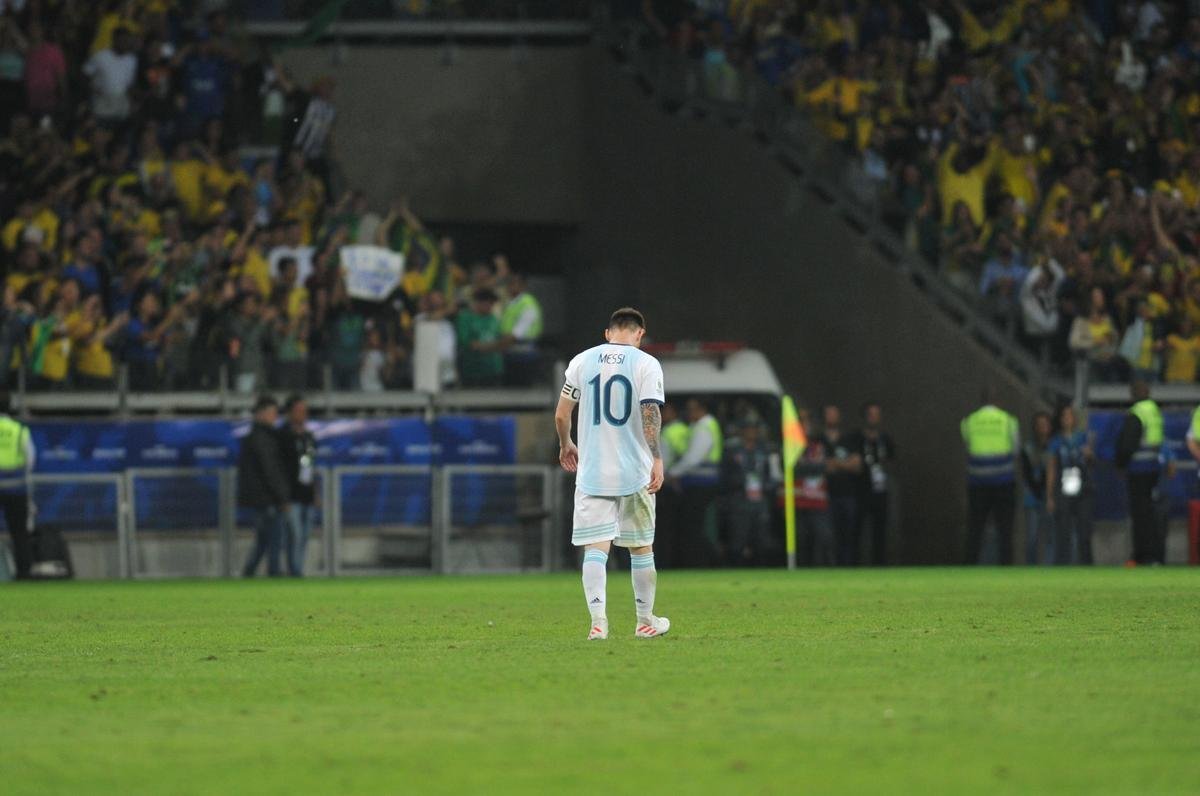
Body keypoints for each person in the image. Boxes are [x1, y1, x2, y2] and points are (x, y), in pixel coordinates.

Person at [555, 307, 669, 640]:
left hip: (592, 472)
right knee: (641, 547)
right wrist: (657, 458)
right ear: (639, 333)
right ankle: (645, 621)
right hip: (635, 471)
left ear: (608, 333)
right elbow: (650, 413)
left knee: (595, 548)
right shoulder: (647, 364)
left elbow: (562, 416)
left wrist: (566, 445)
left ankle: (598, 624)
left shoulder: (581, 361)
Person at [1115, 381, 1172, 565]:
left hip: (1138, 470)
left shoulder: (1138, 413)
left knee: (1140, 516)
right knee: (1150, 515)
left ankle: (1142, 556)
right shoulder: (1154, 410)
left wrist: (1120, 464)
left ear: (1133, 394)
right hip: (1153, 469)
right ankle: (1155, 556)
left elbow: (1127, 445)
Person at [962, 390, 1020, 565]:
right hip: (1004, 482)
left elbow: (968, 444)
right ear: (998, 401)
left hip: (977, 482)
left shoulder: (969, 421)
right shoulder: (1008, 420)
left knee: (975, 528)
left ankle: (970, 566)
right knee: (1005, 530)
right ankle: (1005, 566)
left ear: (981, 402)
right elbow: (1016, 449)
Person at [667, 397, 723, 567]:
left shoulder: (703, 427)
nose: (689, 413)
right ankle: (704, 560)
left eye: (692, 409)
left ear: (702, 410)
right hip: (700, 483)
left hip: (701, 484)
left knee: (693, 526)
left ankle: (706, 561)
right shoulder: (701, 426)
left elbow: (693, 458)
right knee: (694, 525)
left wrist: (672, 473)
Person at [239, 395, 290, 577]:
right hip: (267, 498)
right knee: (274, 538)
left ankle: (249, 572)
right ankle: (273, 572)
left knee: (263, 540)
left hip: (262, 497)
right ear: (261, 414)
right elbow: (270, 471)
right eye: (272, 413)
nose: (275, 417)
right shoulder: (263, 438)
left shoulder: (256, 436)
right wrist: (282, 497)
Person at [720, 419, 778, 566]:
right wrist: (737, 483)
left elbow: (773, 474)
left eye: (754, 429)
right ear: (742, 431)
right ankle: (735, 569)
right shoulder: (732, 451)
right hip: (739, 499)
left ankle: (761, 570)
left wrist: (768, 487)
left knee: (762, 539)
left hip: (760, 499)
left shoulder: (764, 450)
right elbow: (724, 475)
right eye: (748, 429)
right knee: (738, 539)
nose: (751, 432)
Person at [1046, 404, 1095, 565]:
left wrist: (1089, 455)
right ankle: (1063, 565)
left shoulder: (1083, 438)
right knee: (1063, 530)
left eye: (1070, 416)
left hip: (1083, 488)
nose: (1067, 419)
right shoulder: (1056, 441)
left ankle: (1086, 565)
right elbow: (1052, 469)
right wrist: (1050, 496)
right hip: (1063, 488)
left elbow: (1092, 463)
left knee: (1084, 531)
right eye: (1064, 416)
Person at [849, 402, 895, 566]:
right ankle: (853, 565)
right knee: (857, 531)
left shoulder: (885, 440)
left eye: (877, 414)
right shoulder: (856, 438)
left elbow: (892, 461)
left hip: (880, 491)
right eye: (871, 414)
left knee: (880, 532)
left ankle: (879, 565)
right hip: (861, 491)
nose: (874, 418)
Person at [817, 404, 862, 565]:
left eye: (834, 414)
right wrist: (844, 463)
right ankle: (830, 567)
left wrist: (834, 463)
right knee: (828, 536)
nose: (831, 417)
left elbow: (857, 466)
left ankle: (848, 567)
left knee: (848, 534)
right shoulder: (818, 440)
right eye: (828, 414)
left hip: (848, 494)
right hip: (826, 496)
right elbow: (820, 466)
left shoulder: (849, 439)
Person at [279, 395, 318, 577]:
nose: (303, 414)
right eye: (299, 411)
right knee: (294, 535)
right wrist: (282, 496)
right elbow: (278, 469)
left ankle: (298, 569)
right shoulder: (282, 436)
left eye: (305, 411)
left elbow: (309, 466)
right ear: (289, 413)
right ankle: (294, 571)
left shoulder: (309, 438)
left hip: (306, 494)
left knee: (304, 535)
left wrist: (315, 491)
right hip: (290, 495)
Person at [0, 392, 34, 580]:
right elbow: (30, 459)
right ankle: (24, 574)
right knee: (20, 533)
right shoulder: (19, 430)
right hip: (15, 489)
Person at [1020, 412, 1054, 565]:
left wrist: (1049, 494)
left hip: (1049, 497)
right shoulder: (1028, 449)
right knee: (1031, 537)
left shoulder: (1054, 447)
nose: (1042, 428)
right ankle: (1030, 568)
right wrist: (1038, 491)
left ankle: (1048, 568)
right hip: (1033, 498)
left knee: (1049, 537)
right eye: (1039, 425)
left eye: (1045, 425)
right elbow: (1026, 474)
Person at [499, 271, 544, 386]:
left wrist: (492, 348)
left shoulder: (527, 303)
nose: (510, 286)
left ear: (523, 286)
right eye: (509, 283)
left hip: (525, 354)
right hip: (510, 353)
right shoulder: (510, 303)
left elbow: (516, 334)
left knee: (523, 391)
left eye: (514, 283)